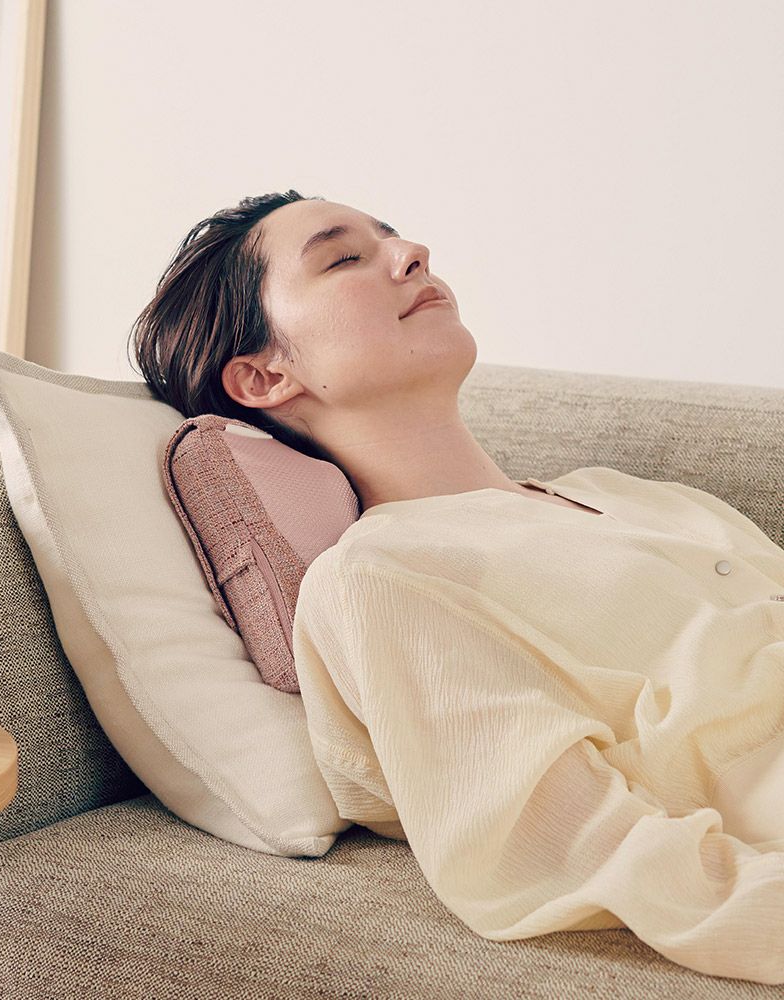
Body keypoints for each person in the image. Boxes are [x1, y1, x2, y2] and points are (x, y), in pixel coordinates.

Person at [131, 191, 784, 986]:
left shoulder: (638, 497)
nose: (413, 254)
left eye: (394, 237)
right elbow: (572, 846)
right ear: (265, 376)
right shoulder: (383, 578)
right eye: (343, 258)